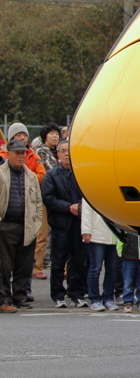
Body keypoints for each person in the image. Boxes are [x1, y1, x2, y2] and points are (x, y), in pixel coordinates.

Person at [41, 140, 88, 308]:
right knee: (58, 261)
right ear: (58, 154)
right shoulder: (52, 175)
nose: (66, 154)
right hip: (60, 225)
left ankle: (77, 293)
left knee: (79, 261)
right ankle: (58, 295)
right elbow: (48, 198)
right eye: (63, 151)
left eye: (69, 150)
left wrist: (79, 207)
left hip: (79, 225)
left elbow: (90, 197)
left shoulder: (81, 174)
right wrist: (69, 207)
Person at [0, 139, 44, 312]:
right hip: (6, 225)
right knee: (4, 265)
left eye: (23, 153)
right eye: (17, 153)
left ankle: (20, 296)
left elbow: (38, 202)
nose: (21, 156)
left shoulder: (31, 176)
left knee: (24, 265)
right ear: (8, 154)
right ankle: (4, 298)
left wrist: (36, 224)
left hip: (27, 225)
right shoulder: (1, 173)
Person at [31, 123, 61, 281]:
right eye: (51, 133)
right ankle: (38, 267)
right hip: (44, 197)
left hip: (58, 197)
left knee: (58, 234)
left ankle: (59, 266)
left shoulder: (59, 151)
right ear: (45, 136)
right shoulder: (41, 151)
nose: (55, 136)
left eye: (57, 133)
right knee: (42, 235)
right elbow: (52, 172)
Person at [80, 198, 120, 311]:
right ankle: (94, 299)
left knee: (112, 269)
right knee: (95, 268)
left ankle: (108, 298)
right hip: (96, 234)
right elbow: (86, 211)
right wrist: (86, 230)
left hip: (114, 235)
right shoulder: (92, 186)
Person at [120, 230, 140, 313]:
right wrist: (121, 252)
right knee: (128, 281)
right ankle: (127, 301)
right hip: (128, 256)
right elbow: (120, 238)